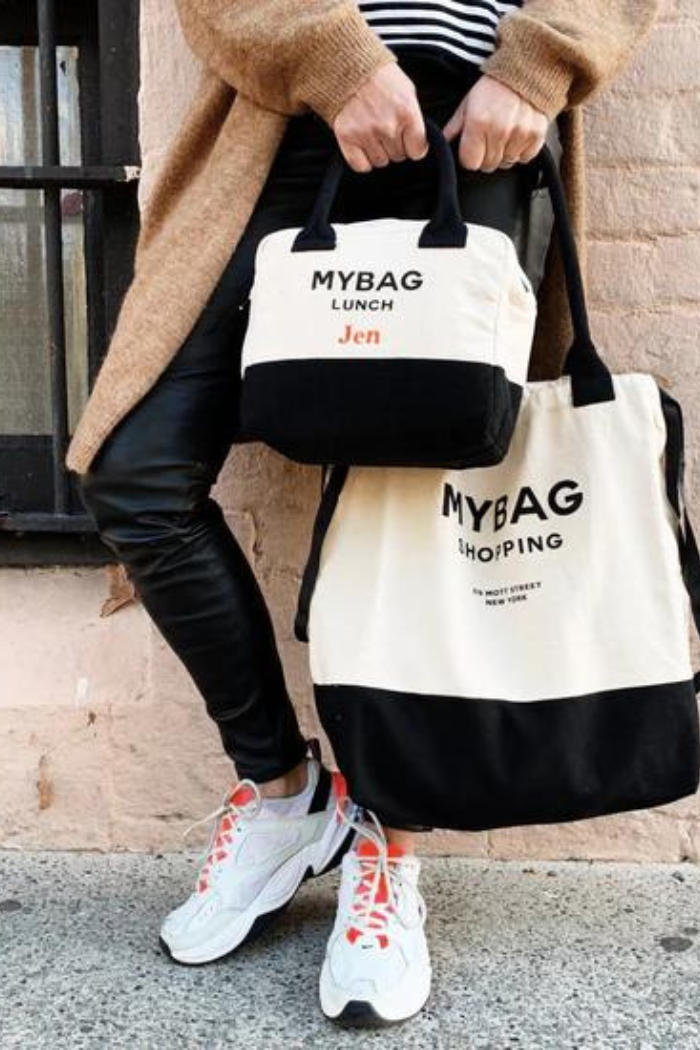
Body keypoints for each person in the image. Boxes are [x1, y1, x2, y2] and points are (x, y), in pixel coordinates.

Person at [69, 0, 660, 1029]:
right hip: (283, 124)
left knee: (420, 502)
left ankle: (388, 842)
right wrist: (334, 59)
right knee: (135, 472)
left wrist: (535, 66)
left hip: (476, 126)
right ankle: (284, 793)